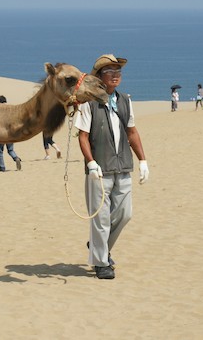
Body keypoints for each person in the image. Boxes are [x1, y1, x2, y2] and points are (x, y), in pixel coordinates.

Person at [76, 54, 149, 280]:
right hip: (99, 170)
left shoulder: (125, 100)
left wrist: (143, 160)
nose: (115, 75)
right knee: (101, 219)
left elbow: (132, 132)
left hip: (123, 166)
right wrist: (91, 162)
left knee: (125, 214)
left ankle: (98, 246)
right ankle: (101, 263)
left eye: (118, 71)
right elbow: (83, 136)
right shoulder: (88, 103)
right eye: (109, 71)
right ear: (99, 76)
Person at [0, 95, 23, 171]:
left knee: (0, 151)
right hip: (11, 133)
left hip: (2, 134)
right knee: (10, 150)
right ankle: (16, 158)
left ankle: (2, 167)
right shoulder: (10, 110)